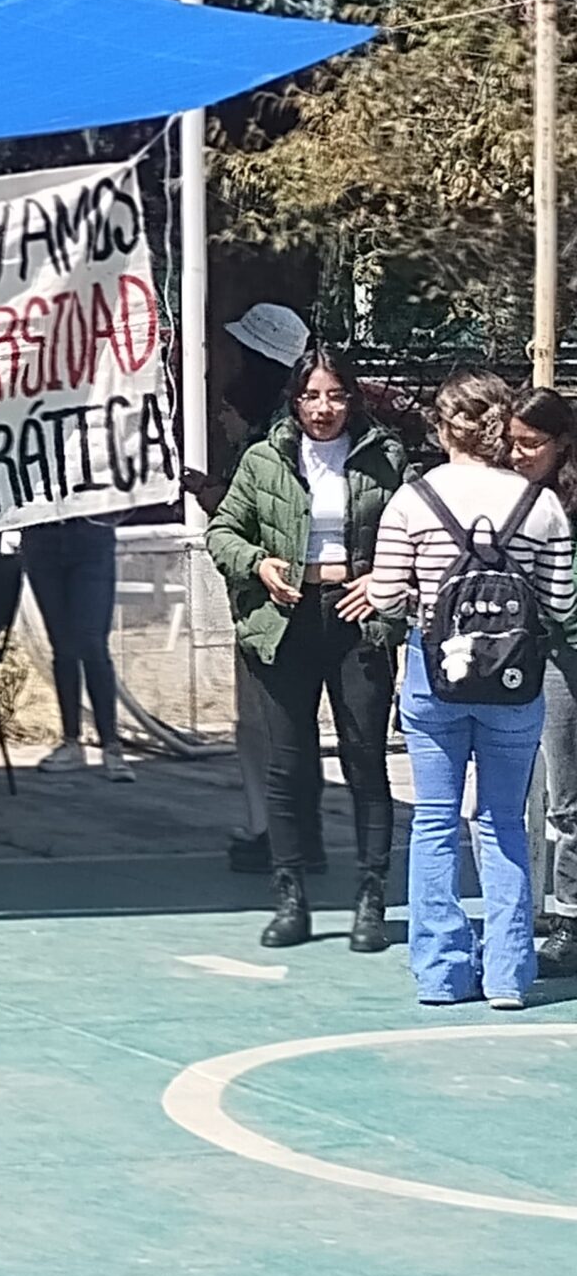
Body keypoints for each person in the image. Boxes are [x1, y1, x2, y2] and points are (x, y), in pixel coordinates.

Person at [369, 370, 576, 1009]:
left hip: (436, 677)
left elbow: (380, 595)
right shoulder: (539, 505)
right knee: (504, 820)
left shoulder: (413, 499)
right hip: (515, 680)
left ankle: (441, 972)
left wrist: (420, 600)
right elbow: (564, 602)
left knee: (435, 820)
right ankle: (510, 973)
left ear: (441, 426)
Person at [206, 342, 407, 953]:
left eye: (336, 395)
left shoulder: (385, 458)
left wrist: (382, 579)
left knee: (364, 757)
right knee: (288, 765)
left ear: (353, 399)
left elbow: (413, 533)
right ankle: (289, 893)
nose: (323, 408)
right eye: (312, 395)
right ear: (294, 400)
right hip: (286, 620)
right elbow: (222, 532)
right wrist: (257, 563)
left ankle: (371, 893)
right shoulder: (264, 459)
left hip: (356, 617)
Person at [195, 300, 312, 874]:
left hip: (269, 595)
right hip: (290, 591)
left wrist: (212, 496)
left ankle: (269, 828)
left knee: (262, 725)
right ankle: (293, 830)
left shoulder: (269, 441)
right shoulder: (294, 434)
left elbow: (250, 516)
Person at [509, 387, 577, 978]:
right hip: (549, 654)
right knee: (565, 796)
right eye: (512, 443)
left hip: (566, 650)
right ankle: (568, 918)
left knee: (569, 797)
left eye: (531, 444)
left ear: (562, 443)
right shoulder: (517, 499)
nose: (518, 455)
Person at [22, 515, 129, 781]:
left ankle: (111, 746)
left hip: (90, 534)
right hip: (41, 536)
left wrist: (117, 509)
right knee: (62, 646)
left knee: (92, 642)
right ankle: (72, 741)